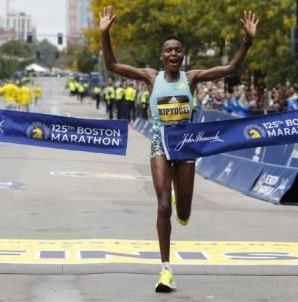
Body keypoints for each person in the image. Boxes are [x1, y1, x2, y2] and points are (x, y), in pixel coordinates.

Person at [100, 5, 258, 292]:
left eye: (178, 50)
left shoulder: (192, 78)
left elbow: (231, 68)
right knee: (162, 205)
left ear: (182, 56)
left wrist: (246, 41)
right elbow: (112, 65)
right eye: (169, 51)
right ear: (162, 57)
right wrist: (105, 35)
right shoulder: (151, 77)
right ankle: (165, 270)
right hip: (161, 142)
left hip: (186, 144)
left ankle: (181, 206)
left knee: (182, 210)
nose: (173, 54)